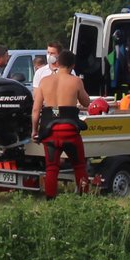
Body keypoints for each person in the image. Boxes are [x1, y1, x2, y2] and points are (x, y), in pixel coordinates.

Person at [31, 52, 91, 198]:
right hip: (70, 131)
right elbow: (86, 102)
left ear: (57, 63)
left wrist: (34, 130)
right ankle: (84, 196)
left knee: (51, 168)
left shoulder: (44, 81)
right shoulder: (76, 81)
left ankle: (50, 199)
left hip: (50, 132)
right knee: (79, 166)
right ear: (73, 65)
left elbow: (36, 109)